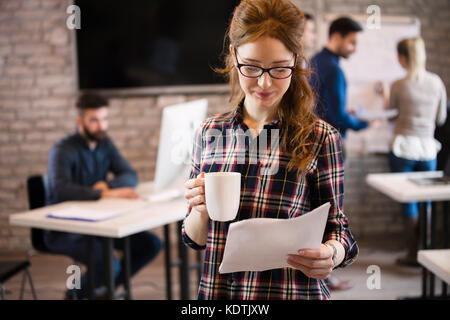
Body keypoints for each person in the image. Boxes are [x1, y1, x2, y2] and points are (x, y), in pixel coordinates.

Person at [182, 0, 358, 300]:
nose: (264, 82)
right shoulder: (208, 133)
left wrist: (332, 253)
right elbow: (196, 240)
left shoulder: (320, 137)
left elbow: (339, 230)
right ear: (235, 57)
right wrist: (198, 212)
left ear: (296, 61)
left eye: (279, 69)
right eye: (251, 67)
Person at [45, 92, 163, 299]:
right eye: (94, 120)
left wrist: (107, 185)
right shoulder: (62, 150)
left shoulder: (104, 144)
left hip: (98, 224)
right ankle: (76, 295)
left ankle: (100, 291)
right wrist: (102, 192)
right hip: (64, 229)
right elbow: (60, 189)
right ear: (80, 121)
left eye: (104, 119)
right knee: (109, 264)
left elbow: (129, 175)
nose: (101, 126)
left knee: (151, 244)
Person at [376, 37, 447, 266]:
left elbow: (390, 113)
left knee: (408, 201)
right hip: (427, 149)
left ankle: (412, 253)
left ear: (403, 57)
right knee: (426, 200)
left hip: (403, 147)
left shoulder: (399, 84)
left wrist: (384, 92)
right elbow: (441, 118)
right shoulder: (436, 82)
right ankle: (426, 252)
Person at [310, 17, 368, 159]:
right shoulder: (333, 70)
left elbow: (322, 105)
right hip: (330, 143)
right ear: (336, 37)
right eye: (351, 42)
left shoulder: (314, 60)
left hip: (313, 140)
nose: (355, 49)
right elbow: (338, 117)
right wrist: (364, 123)